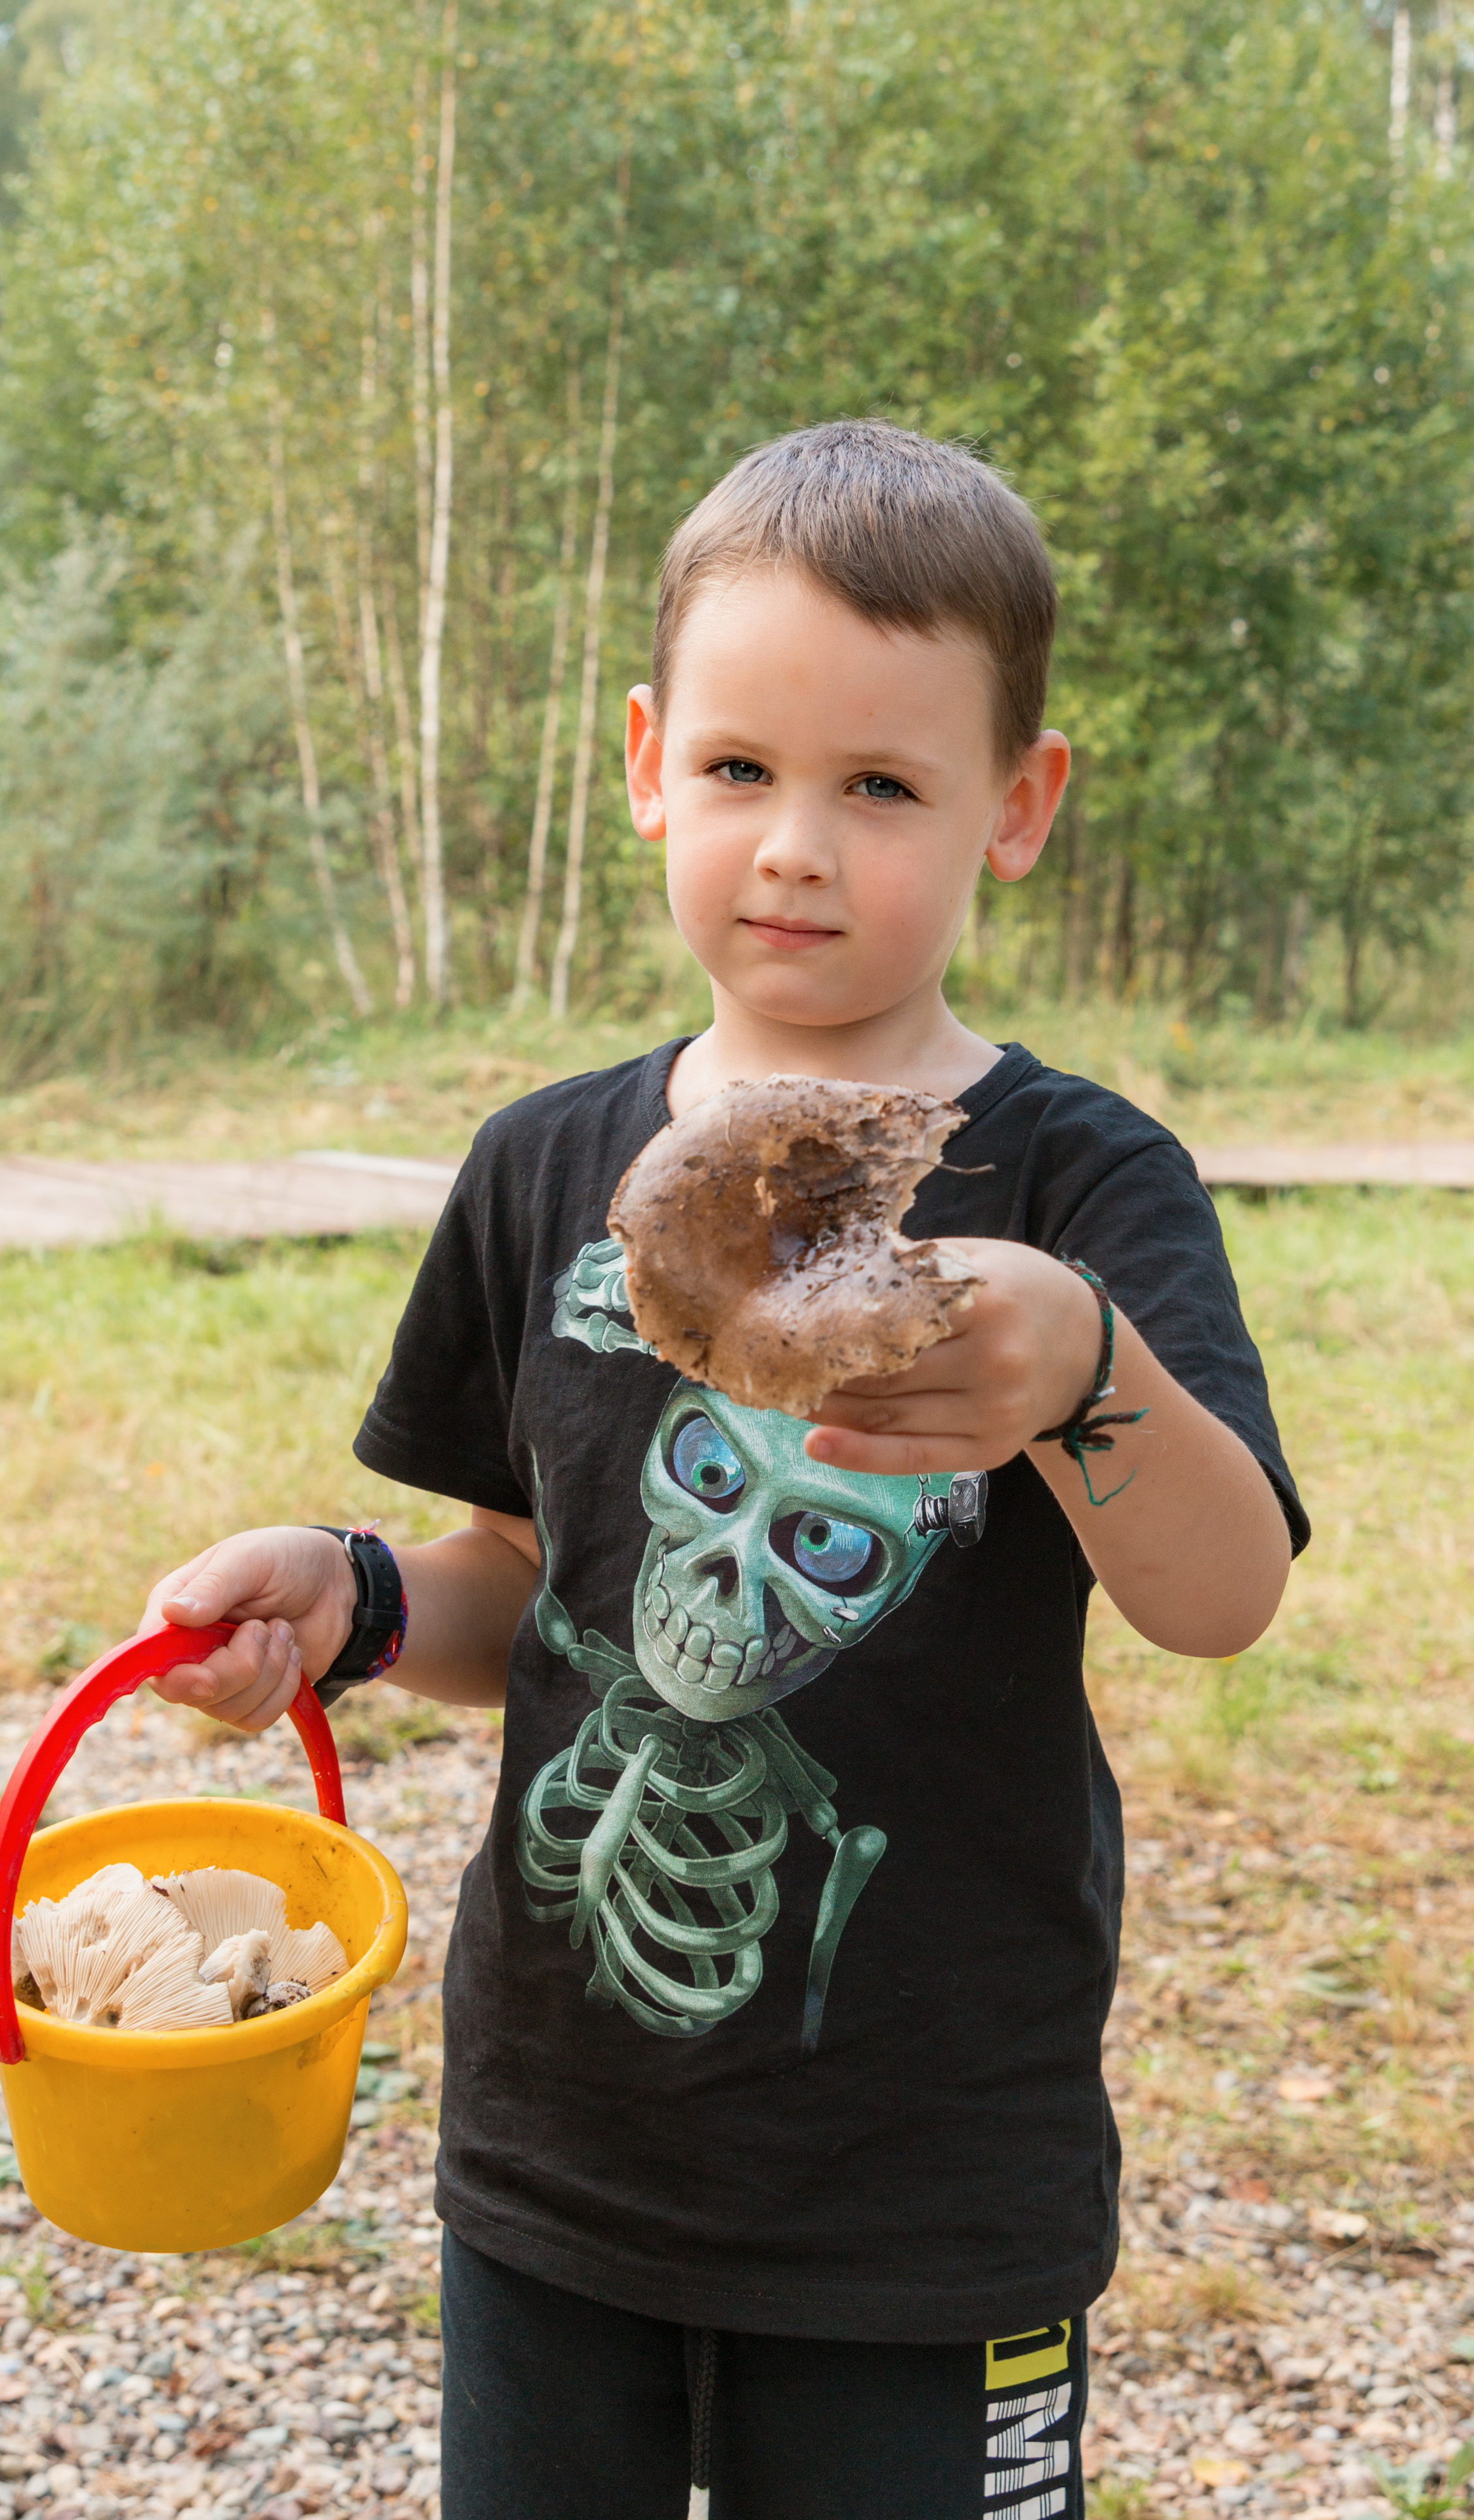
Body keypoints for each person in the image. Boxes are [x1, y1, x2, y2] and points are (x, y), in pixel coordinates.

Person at [140, 419, 1307, 2520]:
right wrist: (363, 1598)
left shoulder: (1079, 1186)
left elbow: (1219, 1598)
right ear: (645, 761)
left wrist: (1084, 1370)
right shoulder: (544, 1168)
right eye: (746, 768)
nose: (794, 844)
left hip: (930, 2196)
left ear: (1016, 809)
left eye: (881, 786)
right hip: (557, 2170)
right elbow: (538, 1581)